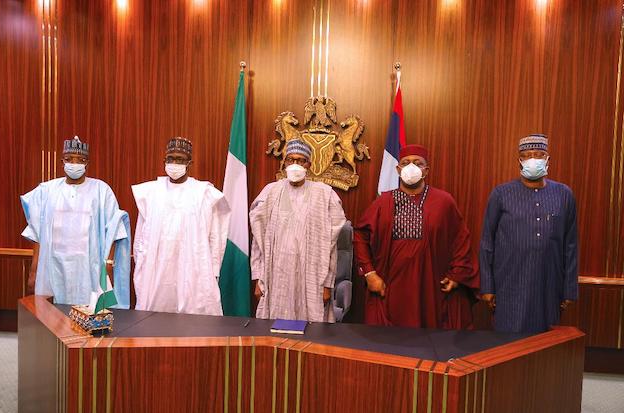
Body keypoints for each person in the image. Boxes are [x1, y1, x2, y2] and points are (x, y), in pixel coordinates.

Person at [353, 144, 479, 329]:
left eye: (417, 163)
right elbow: (360, 235)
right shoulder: (384, 202)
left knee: (430, 341)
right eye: (405, 163)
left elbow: (460, 240)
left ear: (426, 171)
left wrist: (457, 274)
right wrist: (370, 274)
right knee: (392, 343)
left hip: (431, 288)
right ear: (398, 169)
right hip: (392, 287)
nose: (411, 167)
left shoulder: (444, 201)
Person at [479, 134, 578, 333]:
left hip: (549, 285)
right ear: (519, 161)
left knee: (545, 346)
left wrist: (569, 289)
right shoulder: (501, 194)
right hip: (509, 284)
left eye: (538, 154)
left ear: (548, 159)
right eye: (527, 155)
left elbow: (571, 245)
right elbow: (487, 242)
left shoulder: (564, 194)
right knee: (508, 345)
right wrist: (487, 287)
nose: (533, 159)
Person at [20, 136, 131, 307]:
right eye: (70, 159)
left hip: (88, 265)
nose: (74, 163)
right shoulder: (47, 191)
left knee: (87, 313)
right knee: (53, 315)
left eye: (80, 160)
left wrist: (108, 265)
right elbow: (37, 232)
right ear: (62, 161)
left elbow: (115, 230)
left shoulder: (101, 190)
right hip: (53, 264)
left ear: (87, 163)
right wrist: (34, 270)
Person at [250, 139, 346, 322]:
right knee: (275, 330)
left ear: (308, 165)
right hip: (276, 275)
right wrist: (258, 278)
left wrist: (327, 285)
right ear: (284, 163)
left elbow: (330, 247)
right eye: (290, 160)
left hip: (312, 276)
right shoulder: (270, 192)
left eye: (301, 161)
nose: (295, 165)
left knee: (311, 331)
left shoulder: (325, 194)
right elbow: (258, 242)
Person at [132, 137, 231, 315]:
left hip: (194, 268)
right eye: (171, 159)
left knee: (194, 321)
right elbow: (141, 234)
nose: (174, 163)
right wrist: (141, 264)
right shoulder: (151, 192)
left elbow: (215, 237)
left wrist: (213, 269)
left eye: (180, 160)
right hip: (156, 269)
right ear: (164, 161)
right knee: (153, 318)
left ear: (189, 163)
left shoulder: (204, 193)